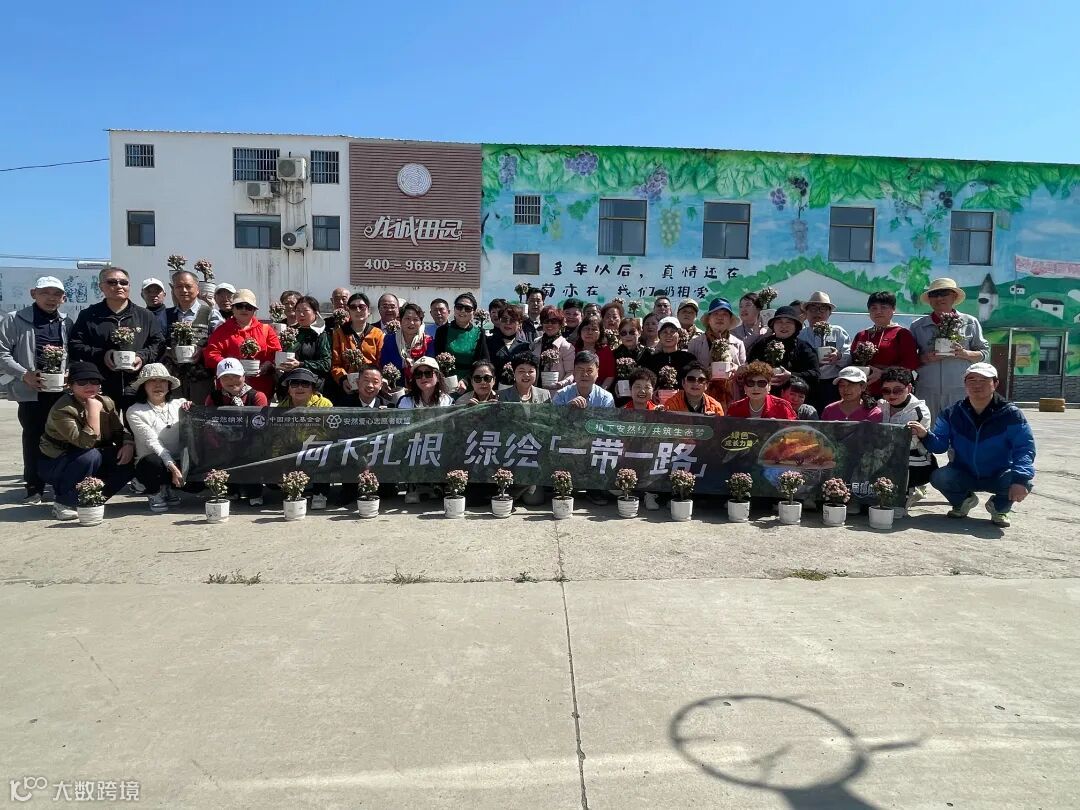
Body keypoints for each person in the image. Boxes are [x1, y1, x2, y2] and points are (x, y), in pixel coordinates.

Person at [908, 362, 1035, 528]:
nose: (977, 385)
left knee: (1022, 481)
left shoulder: (1011, 414)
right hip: (964, 472)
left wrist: (1021, 479)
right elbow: (939, 446)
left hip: (999, 474)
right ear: (965, 384)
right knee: (939, 477)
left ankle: (999, 508)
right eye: (972, 380)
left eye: (984, 380)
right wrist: (925, 435)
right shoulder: (951, 413)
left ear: (995, 383)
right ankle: (963, 502)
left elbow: (1024, 448)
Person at [0, 276, 74, 504]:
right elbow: (2, 353)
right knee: (33, 439)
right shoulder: (14, 319)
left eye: (56, 294)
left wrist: (70, 373)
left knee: (63, 438)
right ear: (34, 294)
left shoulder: (66, 322)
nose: (51, 298)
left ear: (63, 298)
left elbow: (72, 353)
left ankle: (60, 483)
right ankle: (34, 487)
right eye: (45, 293)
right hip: (31, 392)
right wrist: (24, 374)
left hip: (60, 392)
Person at [38, 361, 135, 521]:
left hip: (90, 457)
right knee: (89, 456)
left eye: (94, 381)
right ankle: (64, 503)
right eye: (82, 382)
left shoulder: (106, 402)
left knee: (129, 459)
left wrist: (128, 444)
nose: (89, 386)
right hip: (57, 463)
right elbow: (85, 443)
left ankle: (92, 499)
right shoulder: (63, 409)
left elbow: (119, 432)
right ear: (70, 385)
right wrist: (94, 412)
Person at [68, 266, 165, 410]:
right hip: (101, 386)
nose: (119, 286)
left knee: (136, 424)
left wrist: (142, 356)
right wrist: (102, 354)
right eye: (112, 282)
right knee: (102, 424)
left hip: (137, 385)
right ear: (101, 287)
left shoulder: (145, 315)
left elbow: (158, 343)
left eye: (123, 282)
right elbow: (75, 345)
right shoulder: (88, 315)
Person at [910, 277, 989, 419]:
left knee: (959, 428)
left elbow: (984, 353)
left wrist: (965, 353)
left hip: (960, 390)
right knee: (926, 428)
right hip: (927, 390)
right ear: (929, 299)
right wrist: (925, 358)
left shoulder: (970, 322)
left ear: (954, 296)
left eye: (944, 293)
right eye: (934, 294)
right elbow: (908, 358)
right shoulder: (917, 326)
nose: (939, 298)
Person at [126, 363, 189, 513]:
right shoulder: (135, 411)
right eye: (152, 381)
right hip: (154, 462)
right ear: (143, 386)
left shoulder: (180, 404)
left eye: (162, 381)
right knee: (153, 462)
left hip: (179, 459)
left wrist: (192, 410)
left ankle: (168, 487)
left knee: (196, 485)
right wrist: (173, 468)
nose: (158, 385)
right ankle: (154, 492)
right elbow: (153, 442)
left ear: (169, 385)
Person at [204, 358, 267, 507]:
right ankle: (230, 489)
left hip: (251, 442)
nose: (231, 381)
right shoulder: (213, 397)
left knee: (253, 452)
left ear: (244, 376)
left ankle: (255, 491)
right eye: (226, 377)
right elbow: (208, 421)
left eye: (236, 376)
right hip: (224, 442)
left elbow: (262, 425)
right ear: (219, 380)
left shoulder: (257, 396)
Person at [554, 351, 614, 505]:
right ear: (574, 372)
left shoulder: (606, 398)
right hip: (568, 440)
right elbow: (553, 424)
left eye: (589, 370)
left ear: (597, 373)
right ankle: (564, 485)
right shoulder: (561, 395)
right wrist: (567, 410)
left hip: (593, 442)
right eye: (580, 370)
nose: (584, 374)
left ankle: (595, 489)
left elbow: (607, 429)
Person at [203, 289, 281, 400]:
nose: (244, 309)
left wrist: (267, 365)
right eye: (239, 306)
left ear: (254, 310)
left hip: (261, 390)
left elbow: (276, 354)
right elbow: (211, 355)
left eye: (248, 307)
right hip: (229, 390)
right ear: (233, 308)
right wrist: (232, 366)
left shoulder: (266, 329)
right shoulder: (222, 331)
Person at [276, 367, 333, 508]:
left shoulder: (324, 404)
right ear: (289, 389)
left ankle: (320, 493)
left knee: (324, 455)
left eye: (305, 384)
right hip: (290, 451)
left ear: (313, 388)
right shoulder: (280, 408)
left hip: (316, 448)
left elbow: (329, 433)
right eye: (294, 384)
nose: (300, 387)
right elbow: (276, 437)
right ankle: (293, 491)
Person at [878, 367, 933, 512]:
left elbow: (908, 443)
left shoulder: (919, 411)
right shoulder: (880, 405)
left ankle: (911, 489)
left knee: (897, 457)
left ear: (909, 388)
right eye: (886, 391)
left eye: (897, 390)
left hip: (915, 458)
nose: (891, 395)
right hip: (885, 452)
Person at [165, 270, 222, 407]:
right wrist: (168, 351)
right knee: (175, 414)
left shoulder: (210, 313)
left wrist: (203, 350)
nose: (183, 290)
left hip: (201, 378)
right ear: (173, 290)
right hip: (174, 379)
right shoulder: (166, 315)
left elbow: (220, 341)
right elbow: (159, 341)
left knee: (201, 414)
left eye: (188, 286)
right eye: (179, 286)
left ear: (197, 289)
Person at [850, 291, 919, 397]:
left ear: (893, 309)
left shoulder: (901, 333)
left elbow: (911, 363)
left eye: (883, 307)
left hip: (893, 393)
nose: (878, 311)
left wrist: (883, 373)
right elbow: (852, 361)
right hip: (863, 392)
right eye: (874, 308)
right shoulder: (861, 335)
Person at [688, 297, 747, 409]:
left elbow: (744, 374)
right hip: (703, 395)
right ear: (709, 319)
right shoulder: (695, 343)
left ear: (730, 320)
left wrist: (736, 369)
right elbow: (689, 372)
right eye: (715, 314)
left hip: (731, 396)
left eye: (724, 314)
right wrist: (705, 372)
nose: (720, 317)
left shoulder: (738, 344)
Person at [797, 291, 850, 413]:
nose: (817, 313)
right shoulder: (801, 335)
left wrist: (839, 356)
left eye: (823, 309)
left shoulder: (838, 332)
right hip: (807, 384)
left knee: (832, 415)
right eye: (813, 309)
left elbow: (848, 357)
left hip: (832, 384)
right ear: (806, 313)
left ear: (829, 313)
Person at [747, 306, 820, 393]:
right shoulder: (762, 345)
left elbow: (815, 374)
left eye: (789, 322)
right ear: (773, 326)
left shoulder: (804, 347)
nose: (784, 326)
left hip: (794, 396)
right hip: (765, 395)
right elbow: (750, 367)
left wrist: (791, 375)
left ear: (796, 326)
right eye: (779, 322)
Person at [429, 292, 489, 391]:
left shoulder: (479, 333)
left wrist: (466, 380)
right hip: (446, 382)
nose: (463, 311)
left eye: (467, 308)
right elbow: (437, 357)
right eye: (459, 307)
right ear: (454, 309)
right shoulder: (442, 331)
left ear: (473, 312)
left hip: (471, 382)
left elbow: (483, 361)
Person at [331, 292, 384, 399]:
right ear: (348, 310)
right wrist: (343, 379)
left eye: (362, 307)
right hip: (348, 386)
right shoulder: (339, 333)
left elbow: (381, 361)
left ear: (368, 310)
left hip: (371, 386)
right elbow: (335, 363)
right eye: (353, 307)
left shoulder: (377, 333)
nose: (358, 310)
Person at [277, 295, 331, 386]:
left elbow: (326, 364)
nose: (301, 314)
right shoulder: (291, 333)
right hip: (288, 383)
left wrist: (300, 364)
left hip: (311, 384)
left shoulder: (321, 335)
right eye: (298, 310)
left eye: (305, 311)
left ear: (315, 313)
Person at [378, 301, 431, 384]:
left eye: (415, 319)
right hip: (394, 387)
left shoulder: (428, 342)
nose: (411, 323)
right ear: (400, 320)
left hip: (422, 386)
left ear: (421, 323)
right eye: (407, 318)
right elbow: (384, 365)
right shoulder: (389, 340)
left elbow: (430, 368)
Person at [727, 362, 797, 419]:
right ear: (744, 386)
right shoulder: (735, 408)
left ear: (769, 386)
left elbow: (794, 429)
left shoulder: (782, 407)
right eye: (750, 383)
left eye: (761, 383)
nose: (756, 388)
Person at [486, 304, 533, 389]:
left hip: (518, 391)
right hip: (492, 391)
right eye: (504, 319)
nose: (508, 323)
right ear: (499, 321)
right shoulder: (488, 342)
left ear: (519, 324)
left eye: (512, 320)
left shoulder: (525, 346)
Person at [532, 305, 575, 393]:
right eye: (546, 321)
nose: (549, 324)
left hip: (557, 394)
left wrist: (562, 384)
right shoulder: (536, 343)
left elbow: (571, 373)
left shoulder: (566, 346)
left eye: (554, 321)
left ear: (560, 324)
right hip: (536, 392)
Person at [575, 314, 615, 391]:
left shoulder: (605, 351)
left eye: (594, 329)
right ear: (580, 331)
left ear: (600, 332)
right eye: (586, 329)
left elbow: (610, 376)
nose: (589, 332)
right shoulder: (573, 349)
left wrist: (600, 392)